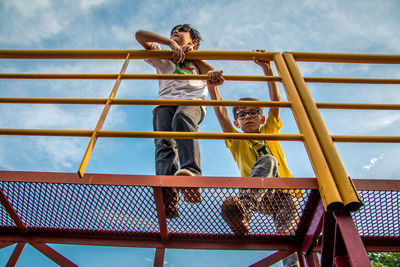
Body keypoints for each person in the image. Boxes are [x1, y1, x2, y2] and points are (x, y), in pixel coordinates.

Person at [207, 51, 301, 266]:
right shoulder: (236, 141)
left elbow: (276, 102)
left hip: (285, 195)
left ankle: (292, 265)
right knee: (268, 160)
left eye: (252, 112)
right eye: (241, 115)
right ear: (237, 123)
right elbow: (221, 115)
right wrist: (213, 87)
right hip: (256, 196)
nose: (247, 116)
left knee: (289, 239)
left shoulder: (269, 130)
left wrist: (267, 68)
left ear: (262, 117)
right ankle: (243, 212)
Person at [135, 24, 215, 219]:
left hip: (191, 102)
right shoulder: (163, 55)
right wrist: (170, 43)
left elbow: (212, 72)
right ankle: (168, 194)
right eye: (173, 31)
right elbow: (140, 35)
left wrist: (192, 55)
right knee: (164, 144)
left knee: (183, 118)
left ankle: (191, 173)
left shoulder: (197, 64)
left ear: (193, 42)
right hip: (164, 103)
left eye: (181, 31)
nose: (175, 32)